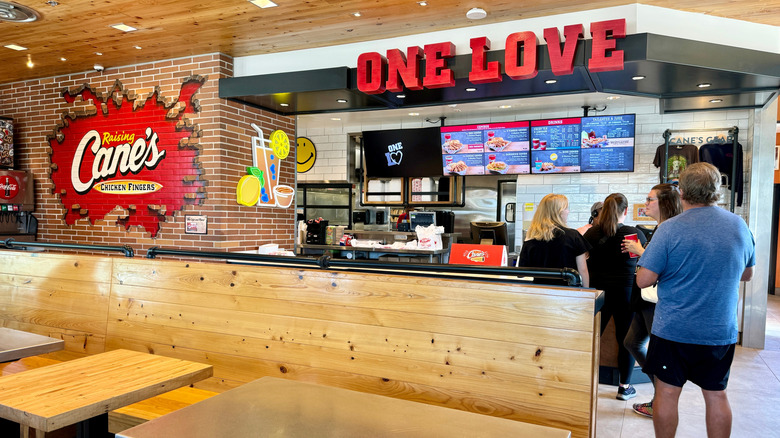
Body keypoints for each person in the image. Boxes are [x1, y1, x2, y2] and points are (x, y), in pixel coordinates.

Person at [636, 163, 755, 438]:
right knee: (716, 394)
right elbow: (747, 274)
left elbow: (643, 280)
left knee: (666, 392)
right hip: (719, 329)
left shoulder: (669, 229)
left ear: (681, 192)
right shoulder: (739, 226)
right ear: (717, 190)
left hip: (673, 330)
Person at [621, 183, 682, 418]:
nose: (645, 203)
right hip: (646, 299)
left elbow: (668, 267)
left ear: (664, 203)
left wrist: (640, 250)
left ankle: (661, 401)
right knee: (632, 342)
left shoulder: (670, 230)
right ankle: (661, 394)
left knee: (657, 353)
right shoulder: (659, 229)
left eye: (650, 199)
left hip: (657, 301)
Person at [583, 193, 646, 400]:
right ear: (625, 211)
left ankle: (584, 383)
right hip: (625, 293)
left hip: (597, 294)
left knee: (591, 340)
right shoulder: (633, 234)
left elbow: (582, 260)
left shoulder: (591, 233)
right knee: (624, 340)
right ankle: (624, 387)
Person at [518, 194, 590, 287]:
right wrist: (586, 294)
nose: (568, 211)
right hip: (568, 294)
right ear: (558, 212)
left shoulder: (531, 238)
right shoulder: (573, 236)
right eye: (566, 208)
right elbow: (583, 270)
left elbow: (521, 273)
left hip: (539, 293)